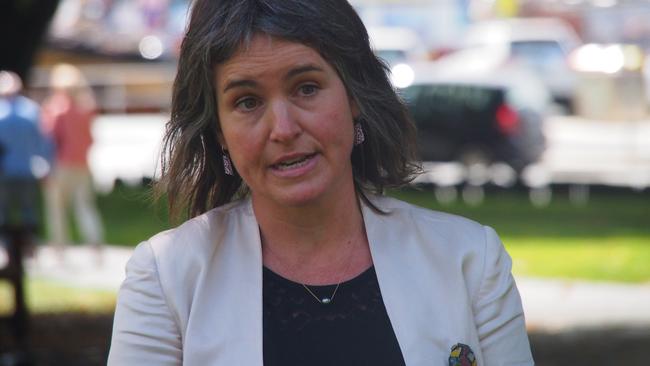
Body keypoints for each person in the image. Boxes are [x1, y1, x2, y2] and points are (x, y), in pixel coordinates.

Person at [108, 1, 534, 365]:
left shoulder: (470, 262)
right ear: (218, 129)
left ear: (354, 97)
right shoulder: (165, 280)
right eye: (248, 101)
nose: (283, 127)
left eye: (306, 88)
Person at [41, 64, 104, 252]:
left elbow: (49, 138)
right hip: (82, 163)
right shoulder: (87, 108)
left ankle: (59, 245)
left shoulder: (55, 108)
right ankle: (95, 241)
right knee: (85, 206)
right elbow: (90, 138)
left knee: (57, 208)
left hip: (61, 164)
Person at [0, 70, 51, 233]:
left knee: (4, 211)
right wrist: (45, 165)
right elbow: (42, 142)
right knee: (28, 210)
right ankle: (30, 246)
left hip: (6, 170)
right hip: (27, 169)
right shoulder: (32, 110)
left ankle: (6, 246)